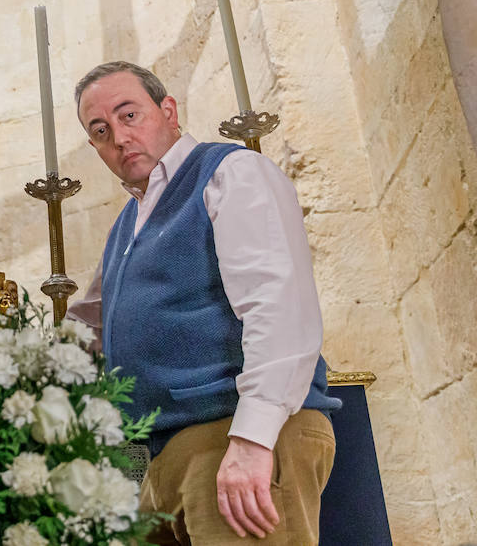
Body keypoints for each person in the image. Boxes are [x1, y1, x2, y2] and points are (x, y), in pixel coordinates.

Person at [69, 61, 340, 544]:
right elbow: (88, 331)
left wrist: (253, 439)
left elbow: (277, 304)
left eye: (129, 115)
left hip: (235, 435)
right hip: (166, 455)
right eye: (101, 130)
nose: (120, 138)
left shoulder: (230, 172)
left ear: (169, 111)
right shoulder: (127, 226)